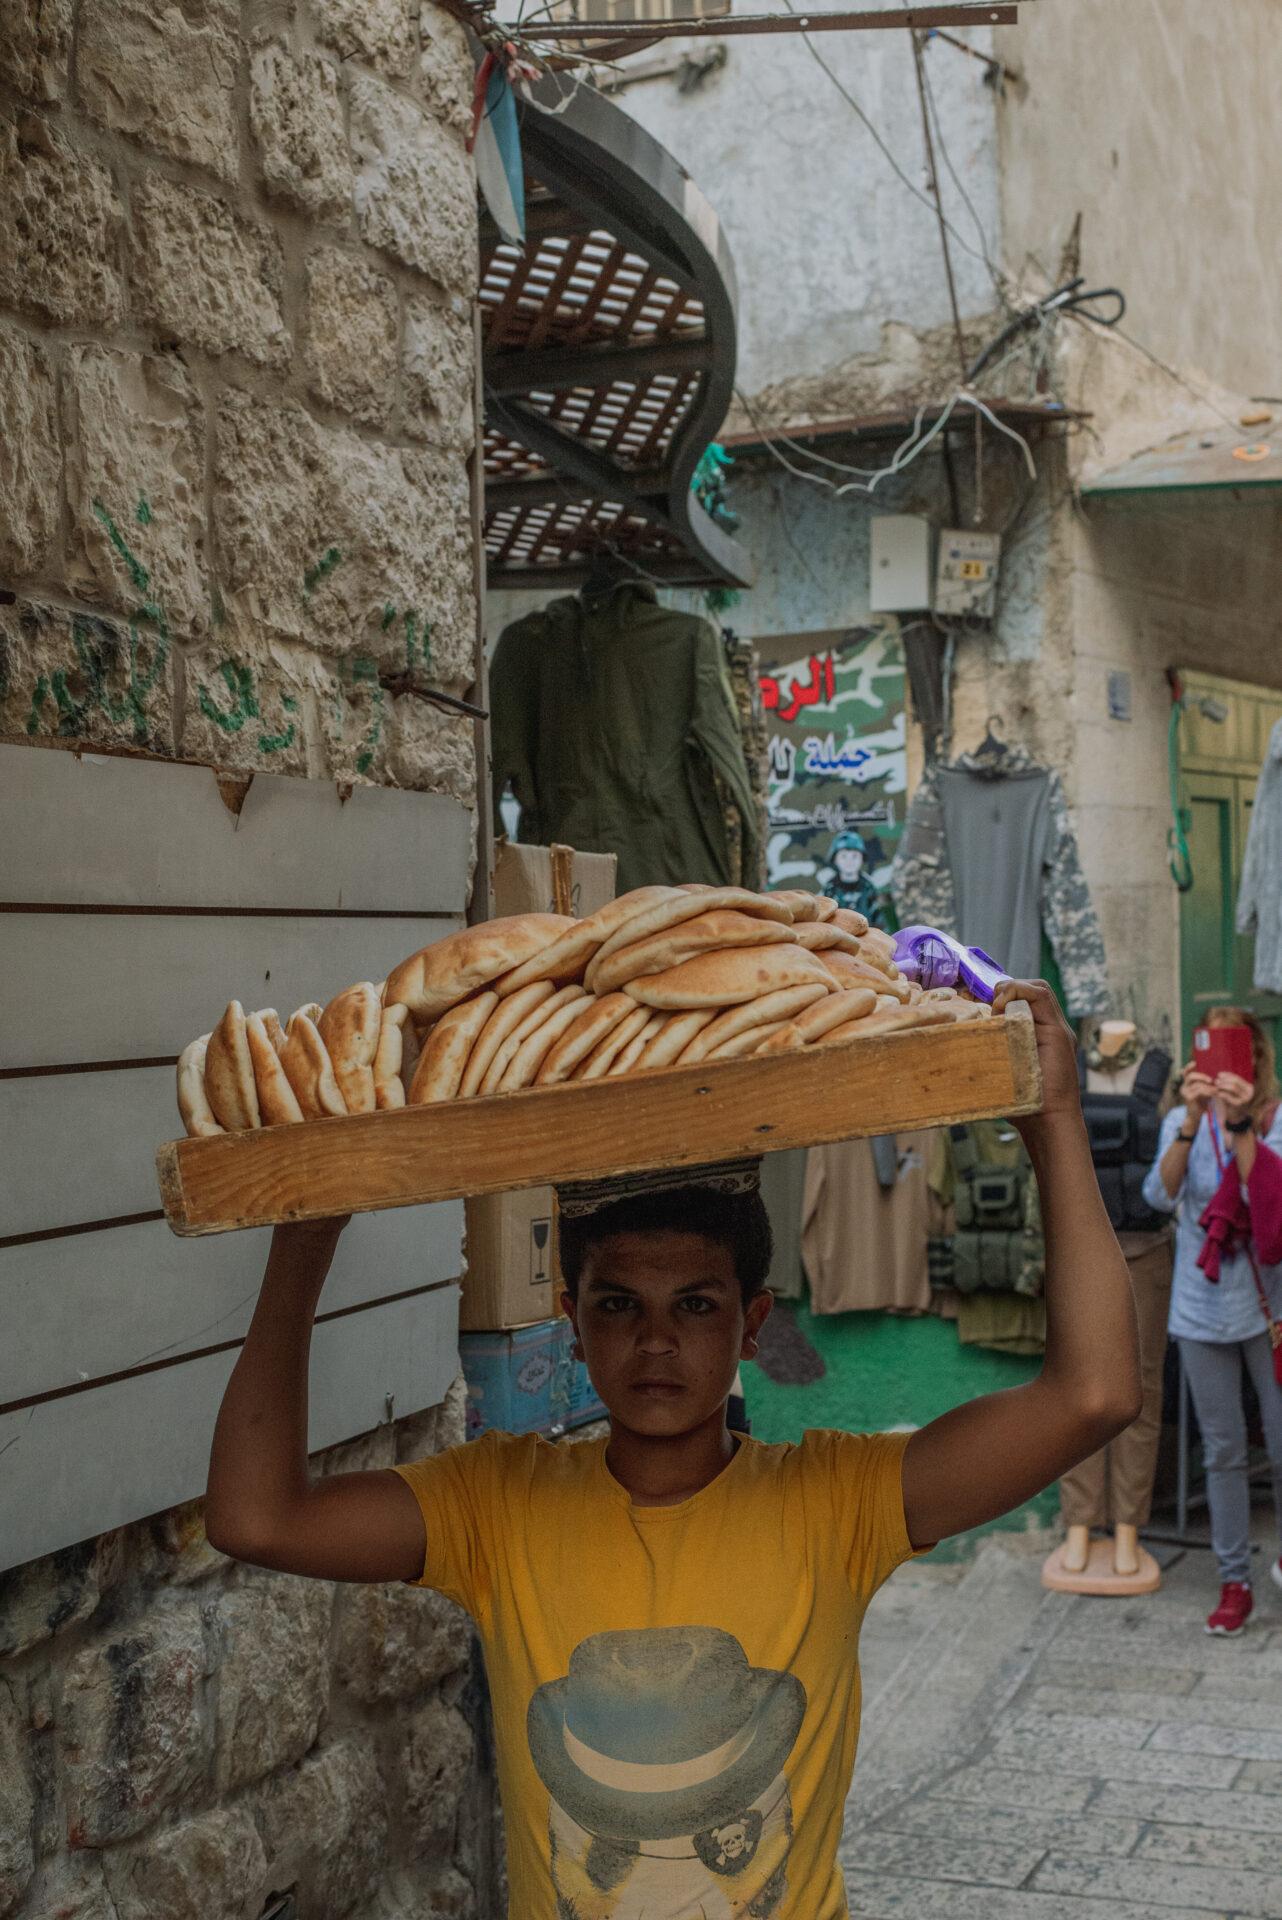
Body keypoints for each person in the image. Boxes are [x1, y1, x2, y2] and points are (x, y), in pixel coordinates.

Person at [205, 981, 1141, 1919]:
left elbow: (1093, 1395)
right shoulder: (495, 1504)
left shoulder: (838, 1502)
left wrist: (1053, 1122)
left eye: (695, 1304)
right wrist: (304, 1237)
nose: (656, 1341)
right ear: (571, 1321)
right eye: (619, 1305)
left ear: (751, 1324)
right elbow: (258, 1518)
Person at [1142, 1005, 1282, 1635]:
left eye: (1237, 1048)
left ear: (1255, 1057)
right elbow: (1159, 1195)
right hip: (1200, 1309)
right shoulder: (1182, 1118)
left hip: (1269, 1307)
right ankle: (1234, 1580)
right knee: (1223, 1451)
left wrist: (1243, 1122)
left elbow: (1264, 1201)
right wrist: (1193, 1121)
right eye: (1213, 1048)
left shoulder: (1277, 1120)